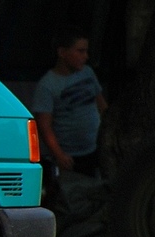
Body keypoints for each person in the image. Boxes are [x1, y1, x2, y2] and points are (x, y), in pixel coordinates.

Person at [30, 30, 108, 177]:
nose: (85, 57)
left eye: (86, 51)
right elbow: (44, 125)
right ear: (62, 52)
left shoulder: (88, 73)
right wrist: (59, 154)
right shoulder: (47, 85)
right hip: (70, 155)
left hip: (95, 147)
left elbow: (101, 104)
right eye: (80, 51)